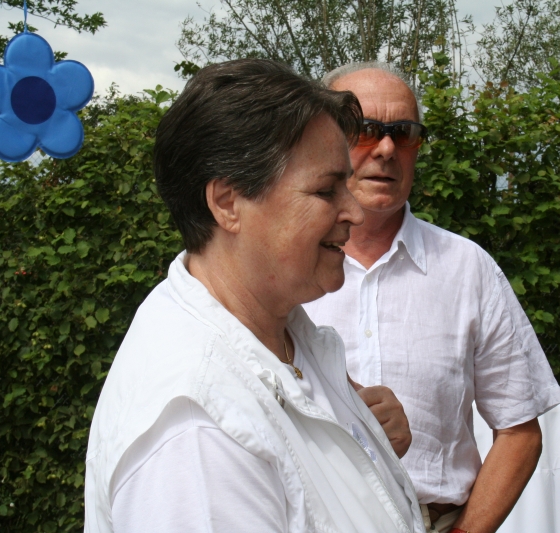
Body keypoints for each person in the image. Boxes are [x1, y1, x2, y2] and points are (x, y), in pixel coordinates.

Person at [84, 59, 425, 533]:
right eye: (326, 190)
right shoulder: (197, 434)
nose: (355, 211)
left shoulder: (282, 335)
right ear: (227, 203)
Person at [302, 62, 560, 533]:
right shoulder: (282, 268)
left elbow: (520, 433)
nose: (386, 149)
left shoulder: (467, 268)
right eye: (365, 130)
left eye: (403, 134)